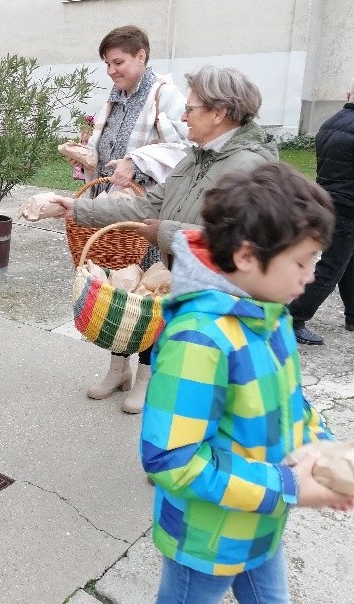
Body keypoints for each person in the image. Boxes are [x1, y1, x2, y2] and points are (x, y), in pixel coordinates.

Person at [117, 162, 354, 604]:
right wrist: (290, 486)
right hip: (206, 537)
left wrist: (321, 452)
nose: (311, 276)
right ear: (247, 256)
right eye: (302, 261)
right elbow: (172, 460)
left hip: (258, 522)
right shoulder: (199, 340)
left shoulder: (268, 314)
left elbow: (289, 404)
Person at [54, 65, 278, 413]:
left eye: (190, 109)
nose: (183, 117)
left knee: (199, 403)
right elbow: (148, 205)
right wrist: (75, 209)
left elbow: (238, 243)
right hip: (188, 290)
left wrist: (163, 233)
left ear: (219, 113)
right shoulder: (196, 156)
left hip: (218, 305)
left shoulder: (247, 168)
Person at [60, 25, 188, 414]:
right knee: (117, 291)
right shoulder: (115, 98)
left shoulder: (166, 95)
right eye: (107, 64)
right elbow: (108, 154)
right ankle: (119, 370)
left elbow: (187, 149)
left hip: (148, 215)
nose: (111, 70)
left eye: (118, 62)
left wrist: (137, 161)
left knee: (148, 296)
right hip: (114, 215)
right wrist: (88, 158)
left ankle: (147, 376)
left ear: (142, 56)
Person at [289, 80, 354, 345]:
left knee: (348, 261)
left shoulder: (330, 122)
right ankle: (294, 317)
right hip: (348, 206)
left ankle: (352, 314)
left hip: (328, 200)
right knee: (331, 267)